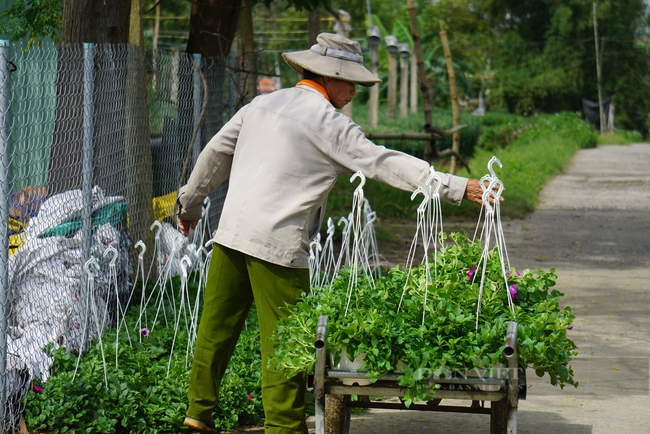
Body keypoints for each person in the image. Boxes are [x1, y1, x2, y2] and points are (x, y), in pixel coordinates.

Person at [176, 33, 489, 433]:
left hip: (230, 236)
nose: (355, 91)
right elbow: (385, 163)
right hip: (279, 248)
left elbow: (214, 155)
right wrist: (460, 187)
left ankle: (196, 416)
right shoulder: (331, 125)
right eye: (351, 81)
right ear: (329, 76)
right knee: (288, 347)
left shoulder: (260, 105)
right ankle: (285, 428)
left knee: (214, 332)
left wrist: (190, 204)